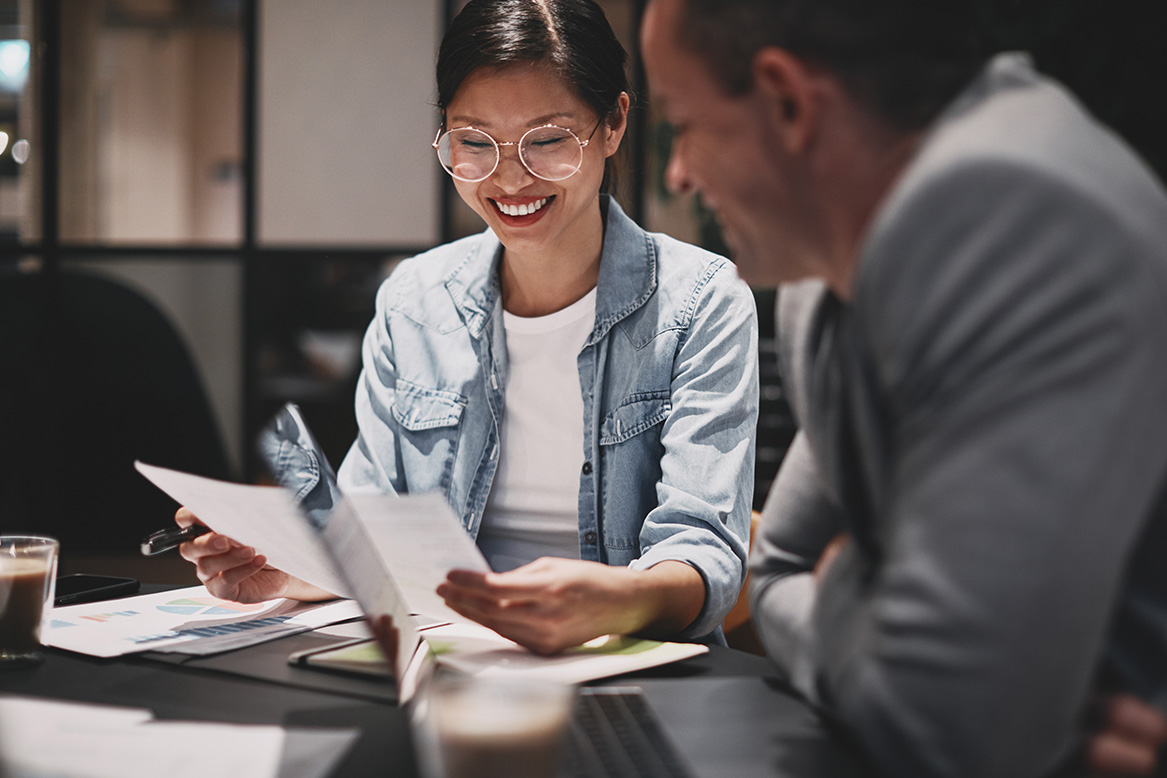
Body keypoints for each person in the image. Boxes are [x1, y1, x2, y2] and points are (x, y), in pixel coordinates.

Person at [640, 0, 1167, 776]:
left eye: (681, 124)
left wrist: (852, 585)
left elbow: (951, 727)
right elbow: (776, 570)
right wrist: (886, 618)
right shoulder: (822, 278)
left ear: (787, 102)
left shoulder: (1005, 218)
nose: (679, 174)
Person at [178, 0, 758, 655]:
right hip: (451, 662)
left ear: (613, 124)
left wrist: (610, 602)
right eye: (473, 142)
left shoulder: (701, 301)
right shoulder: (415, 300)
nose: (508, 178)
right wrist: (293, 566)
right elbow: (374, 523)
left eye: (546, 140)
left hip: (633, 672)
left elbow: (704, 553)